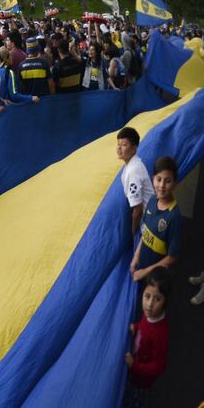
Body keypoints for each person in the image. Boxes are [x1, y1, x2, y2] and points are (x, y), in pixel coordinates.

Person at [123, 266, 171, 407]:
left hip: (141, 381)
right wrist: (136, 327)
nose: (149, 305)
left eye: (157, 299)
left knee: (134, 401)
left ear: (165, 302)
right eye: (147, 296)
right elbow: (145, 324)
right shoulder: (148, 315)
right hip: (135, 369)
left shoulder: (160, 333)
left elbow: (158, 366)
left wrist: (135, 366)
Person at [130, 156, 181, 282]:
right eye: (159, 179)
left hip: (157, 277)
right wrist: (136, 256)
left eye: (167, 181)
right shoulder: (152, 200)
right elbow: (145, 232)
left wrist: (146, 272)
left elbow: (172, 257)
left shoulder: (174, 217)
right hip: (142, 268)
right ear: (153, 179)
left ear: (175, 184)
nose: (162, 185)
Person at [118, 127, 155, 235]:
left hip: (149, 224)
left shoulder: (133, 170)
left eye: (124, 145)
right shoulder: (131, 165)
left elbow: (137, 209)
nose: (119, 148)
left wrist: (133, 233)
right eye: (118, 144)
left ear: (134, 148)